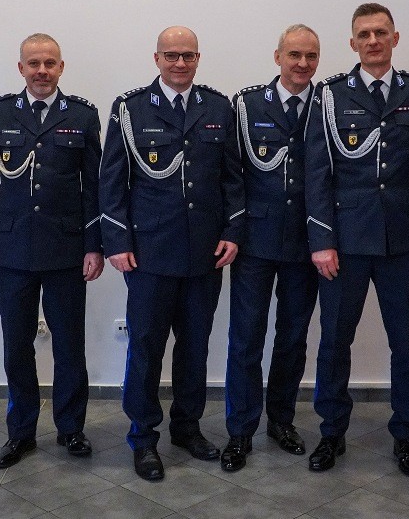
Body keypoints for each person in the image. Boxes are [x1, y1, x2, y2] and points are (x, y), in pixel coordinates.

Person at [99, 26, 244, 481]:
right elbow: (112, 181)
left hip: (204, 251)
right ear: (157, 58)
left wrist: (233, 231)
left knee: (195, 346)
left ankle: (186, 427)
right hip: (150, 253)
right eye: (171, 55)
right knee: (146, 347)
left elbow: (233, 178)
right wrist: (117, 242)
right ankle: (143, 437)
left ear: (198, 58)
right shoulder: (130, 108)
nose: (180, 63)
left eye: (188, 55)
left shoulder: (217, 107)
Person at [304, 2, 409, 476]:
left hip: (402, 241)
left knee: (408, 344)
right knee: (334, 342)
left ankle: (406, 434)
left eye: (381, 32)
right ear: (353, 43)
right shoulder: (330, 95)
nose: (373, 41)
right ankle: (331, 432)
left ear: (395, 38)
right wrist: (321, 240)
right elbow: (317, 172)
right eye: (364, 34)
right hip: (346, 242)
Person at [0, 33, 103, 469]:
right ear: (21, 67)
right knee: (16, 346)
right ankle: (21, 432)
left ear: (61, 67)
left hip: (66, 250)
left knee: (69, 345)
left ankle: (71, 428)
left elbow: (94, 189)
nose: (42, 71)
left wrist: (94, 246)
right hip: (12, 249)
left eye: (49, 63)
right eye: (34, 63)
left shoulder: (82, 115)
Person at [220, 24, 321, 472]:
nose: (302, 63)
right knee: (246, 338)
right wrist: (234, 230)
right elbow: (232, 173)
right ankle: (240, 429)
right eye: (294, 54)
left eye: (311, 56)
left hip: (306, 241)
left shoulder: (327, 103)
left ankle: (281, 420)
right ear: (277, 56)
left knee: (293, 338)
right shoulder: (246, 105)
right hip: (255, 241)